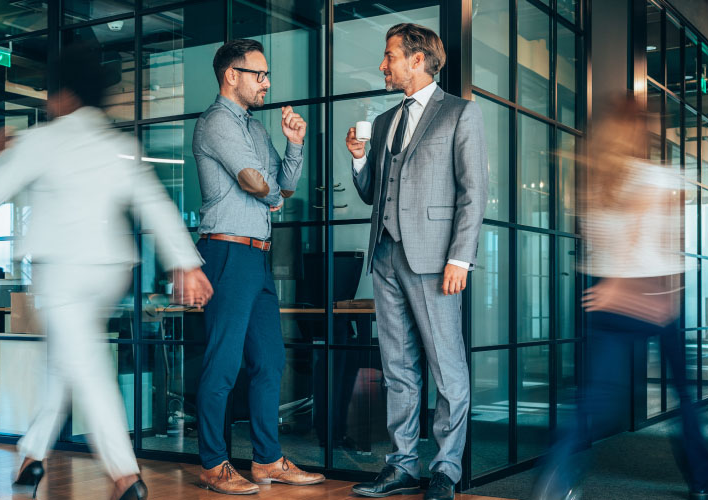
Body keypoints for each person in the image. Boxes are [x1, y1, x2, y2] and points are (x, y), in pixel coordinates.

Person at [0, 42, 213, 500]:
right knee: (65, 362)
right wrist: (185, 262)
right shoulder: (118, 145)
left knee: (85, 364)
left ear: (61, 96)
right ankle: (32, 456)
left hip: (61, 271)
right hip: (110, 271)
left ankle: (125, 474)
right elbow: (155, 204)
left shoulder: (43, 139)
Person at [530, 97, 708, 500]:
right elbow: (652, 234)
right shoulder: (656, 177)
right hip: (651, 292)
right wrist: (647, 290)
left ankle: (557, 471)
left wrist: (606, 286)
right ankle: (703, 480)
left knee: (593, 396)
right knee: (683, 393)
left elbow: (593, 238)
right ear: (635, 130)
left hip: (604, 294)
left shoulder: (590, 179)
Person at [345, 23, 488, 500]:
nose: (383, 64)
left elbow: (474, 193)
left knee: (446, 368)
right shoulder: (384, 121)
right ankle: (402, 464)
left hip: (434, 260)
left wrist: (460, 259)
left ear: (418, 60)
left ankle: (446, 468)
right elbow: (372, 194)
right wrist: (360, 158)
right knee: (397, 367)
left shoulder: (460, 115)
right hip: (384, 255)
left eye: (389, 56)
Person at [192, 38, 325, 495]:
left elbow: (282, 187)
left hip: (259, 255)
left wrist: (295, 144)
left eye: (267, 75)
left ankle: (266, 460)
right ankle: (213, 464)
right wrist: (268, 194)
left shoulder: (256, 129)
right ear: (232, 75)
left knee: (270, 361)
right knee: (224, 364)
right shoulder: (216, 123)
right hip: (227, 253)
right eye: (259, 74)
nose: (266, 82)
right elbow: (255, 183)